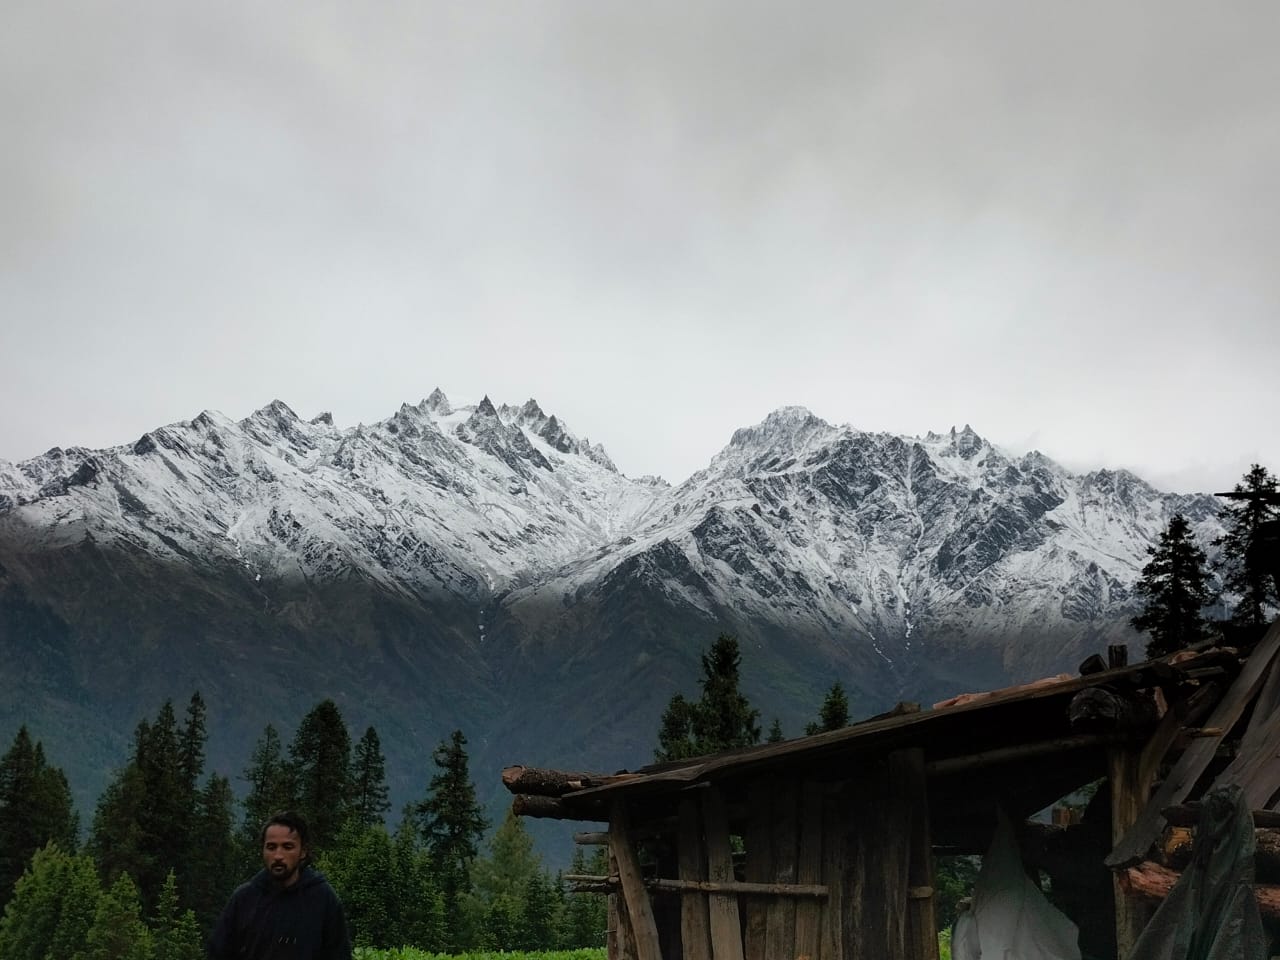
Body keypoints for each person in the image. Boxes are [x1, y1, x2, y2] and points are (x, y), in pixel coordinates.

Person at [208, 810, 352, 960]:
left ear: (303, 852)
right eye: (271, 847)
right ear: (263, 850)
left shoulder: (323, 899)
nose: (278, 856)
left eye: (287, 847)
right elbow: (218, 953)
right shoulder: (244, 899)